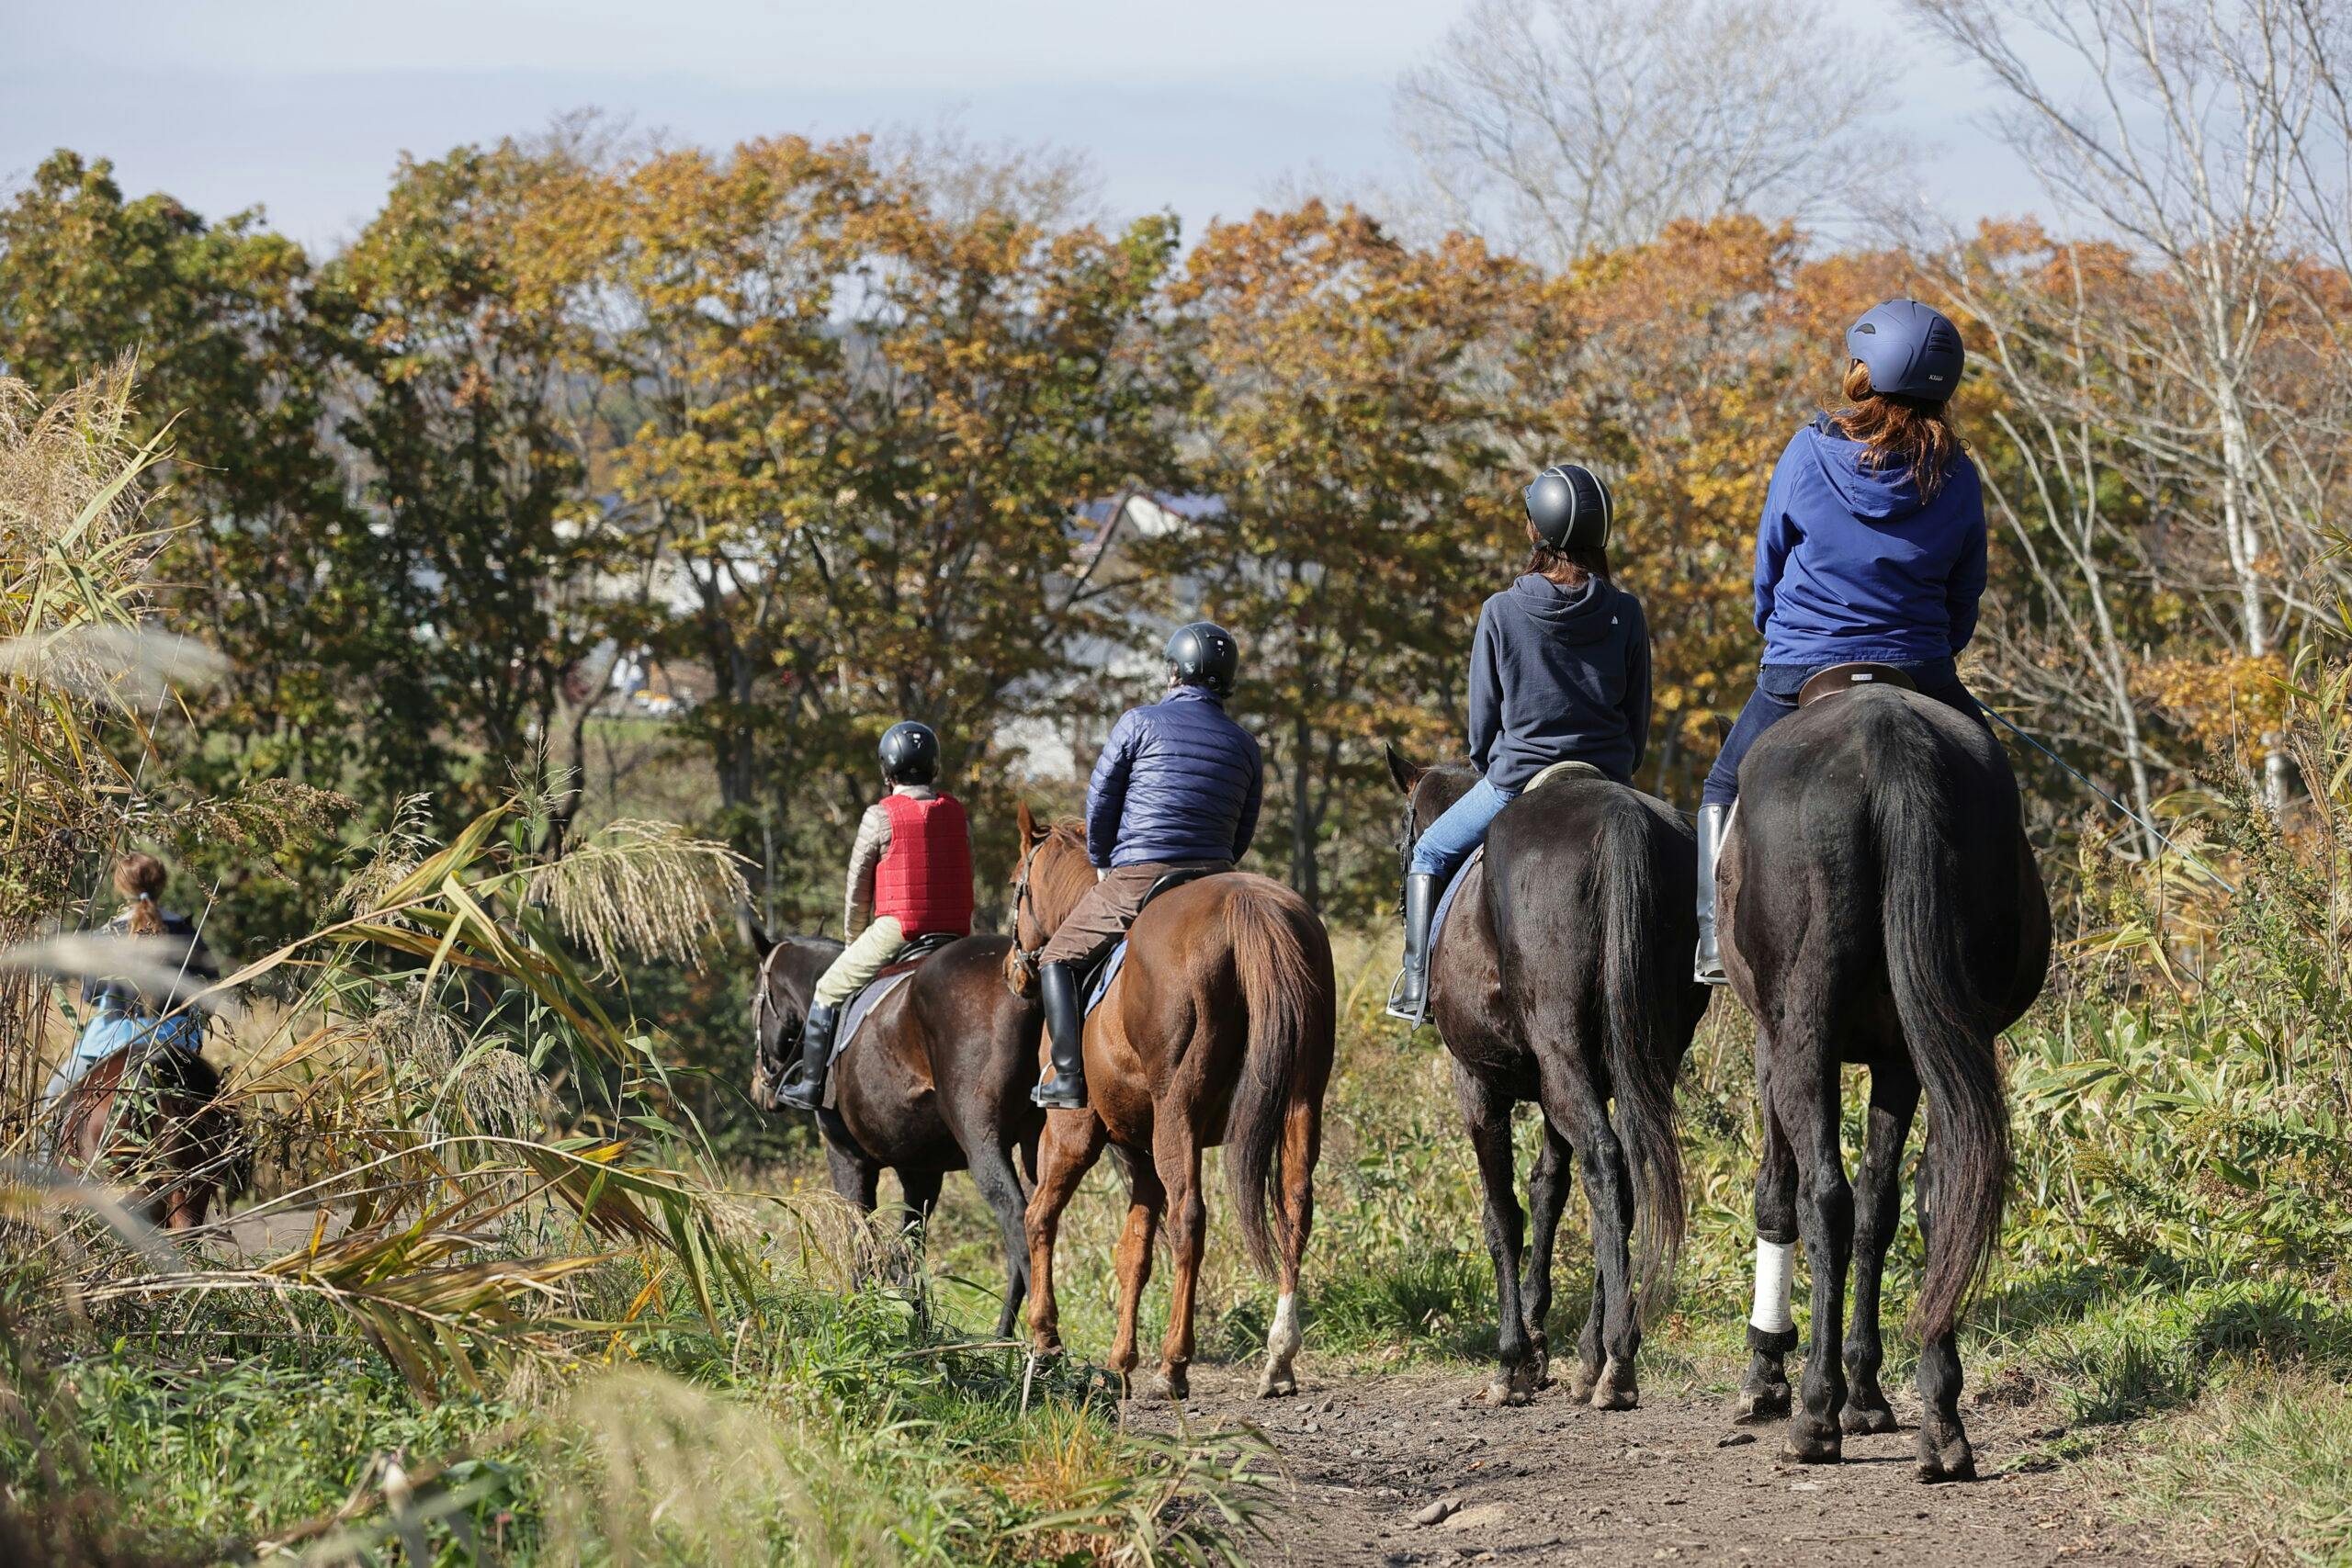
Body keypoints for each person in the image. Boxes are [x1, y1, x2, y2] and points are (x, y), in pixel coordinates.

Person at [1693, 298, 1993, 986]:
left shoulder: (1807, 450)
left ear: (1866, 371)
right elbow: (1964, 594)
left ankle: (1710, 940)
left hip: (1801, 662)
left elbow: (1769, 565)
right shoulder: (1958, 474)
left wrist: (1776, 629)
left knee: (1719, 786)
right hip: (1920, 666)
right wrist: (1935, 649)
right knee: (1993, 783)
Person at [1389, 464, 1652, 1022]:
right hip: (1607, 779)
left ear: (1537, 530)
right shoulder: (1626, 612)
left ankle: (1414, 986)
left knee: (1429, 851)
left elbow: (1482, 730)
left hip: (1517, 779)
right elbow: (1638, 722)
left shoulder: (1501, 611)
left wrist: (1495, 768)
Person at [1030, 622, 1263, 1110]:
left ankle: (1067, 1078)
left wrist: (1101, 862)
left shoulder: (1138, 722)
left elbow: (1100, 804)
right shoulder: (1245, 745)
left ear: (1175, 671)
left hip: (1141, 873)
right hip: (1218, 876)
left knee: (1058, 956)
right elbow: (1242, 833)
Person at [775, 721, 975, 1112]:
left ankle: (811, 1086)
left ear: (888, 770)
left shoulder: (880, 817)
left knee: (828, 989)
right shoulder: (956, 812)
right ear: (933, 766)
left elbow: (857, 889)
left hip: (899, 929)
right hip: (958, 934)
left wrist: (853, 940)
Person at [47, 852, 216, 1104]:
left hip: (110, 1044)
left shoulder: (104, 936)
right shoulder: (188, 934)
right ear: (162, 884)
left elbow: (89, 995)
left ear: (120, 887)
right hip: (177, 1046)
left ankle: (43, 1146)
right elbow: (209, 996)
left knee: (52, 1097)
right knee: (221, 1113)